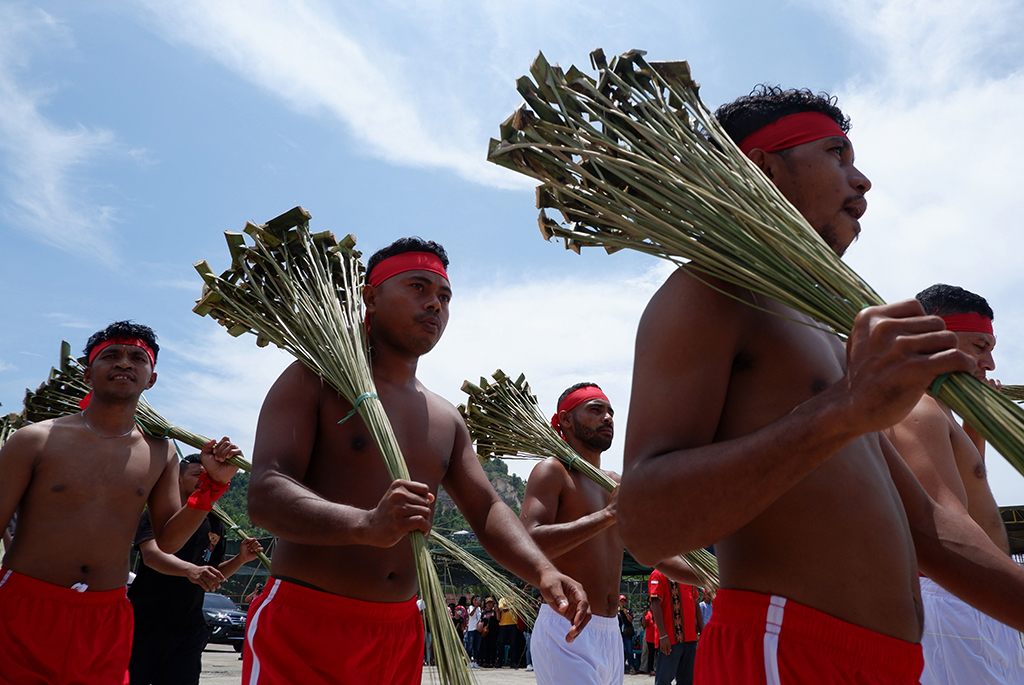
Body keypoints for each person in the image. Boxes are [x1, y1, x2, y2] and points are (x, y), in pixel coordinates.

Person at [617, 86, 1024, 685]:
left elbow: (926, 529)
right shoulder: (710, 293)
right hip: (783, 650)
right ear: (764, 170)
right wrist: (845, 409)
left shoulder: (828, 335)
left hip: (887, 664)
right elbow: (646, 523)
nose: (861, 181)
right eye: (838, 154)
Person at [243, 238, 590, 685]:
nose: (435, 304)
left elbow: (487, 510)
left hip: (399, 632)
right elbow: (266, 492)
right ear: (370, 295)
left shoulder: (445, 418)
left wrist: (543, 570)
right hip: (305, 624)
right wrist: (364, 524)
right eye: (418, 287)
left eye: (444, 296)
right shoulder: (315, 379)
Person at [0, 321, 240, 684]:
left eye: (137, 358)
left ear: (151, 379)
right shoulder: (34, 439)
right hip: (27, 606)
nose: (124, 363)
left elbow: (169, 541)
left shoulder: (160, 452)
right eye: (111, 356)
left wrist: (211, 487)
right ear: (87, 374)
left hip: (106, 614)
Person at [886, 284, 1024, 684]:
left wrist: (976, 430)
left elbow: (964, 489)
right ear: (936, 339)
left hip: (975, 599)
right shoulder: (918, 410)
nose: (991, 363)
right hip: (955, 600)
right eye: (980, 346)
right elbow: (944, 522)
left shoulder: (938, 412)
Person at [521, 383, 699, 685]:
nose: (607, 418)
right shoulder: (552, 472)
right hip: (566, 627)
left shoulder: (616, 483)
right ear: (565, 419)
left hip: (610, 632)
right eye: (595, 410)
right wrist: (606, 516)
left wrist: (714, 577)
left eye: (610, 412)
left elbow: (653, 552)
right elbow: (528, 543)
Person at [128, 452, 264, 685]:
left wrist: (240, 559)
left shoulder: (215, 522)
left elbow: (212, 573)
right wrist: (189, 570)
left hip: (188, 628)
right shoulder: (161, 515)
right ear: (178, 479)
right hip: (145, 621)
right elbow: (151, 555)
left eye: (207, 476)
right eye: (196, 474)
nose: (202, 479)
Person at [648, 570, 702, 685]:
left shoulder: (687, 575)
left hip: (690, 639)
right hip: (670, 640)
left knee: (688, 681)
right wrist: (663, 636)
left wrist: (703, 633)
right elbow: (655, 604)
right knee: (664, 681)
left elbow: (696, 605)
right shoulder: (659, 574)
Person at [617, 594, 637, 675]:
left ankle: (631, 666)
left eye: (623, 601)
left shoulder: (628, 610)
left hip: (627, 633)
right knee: (619, 650)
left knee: (629, 650)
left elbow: (631, 620)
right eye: (621, 601)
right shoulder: (616, 611)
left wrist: (626, 613)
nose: (622, 603)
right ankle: (620, 667)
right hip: (619, 633)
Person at [464, 594, 482, 667]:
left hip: (478, 628)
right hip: (471, 629)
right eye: (474, 600)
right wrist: (475, 607)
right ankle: (468, 661)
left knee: (477, 645)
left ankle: (475, 661)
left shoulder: (479, 609)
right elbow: (471, 614)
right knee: (470, 645)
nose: (476, 601)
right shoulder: (471, 607)